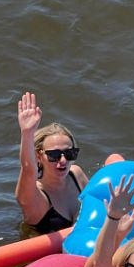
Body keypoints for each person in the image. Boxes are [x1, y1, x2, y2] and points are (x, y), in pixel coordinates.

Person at [16, 92, 89, 233]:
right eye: (54, 155)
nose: (63, 161)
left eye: (69, 153)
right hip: (49, 253)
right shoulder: (34, 195)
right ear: (38, 156)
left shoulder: (76, 174)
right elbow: (27, 169)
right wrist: (27, 133)